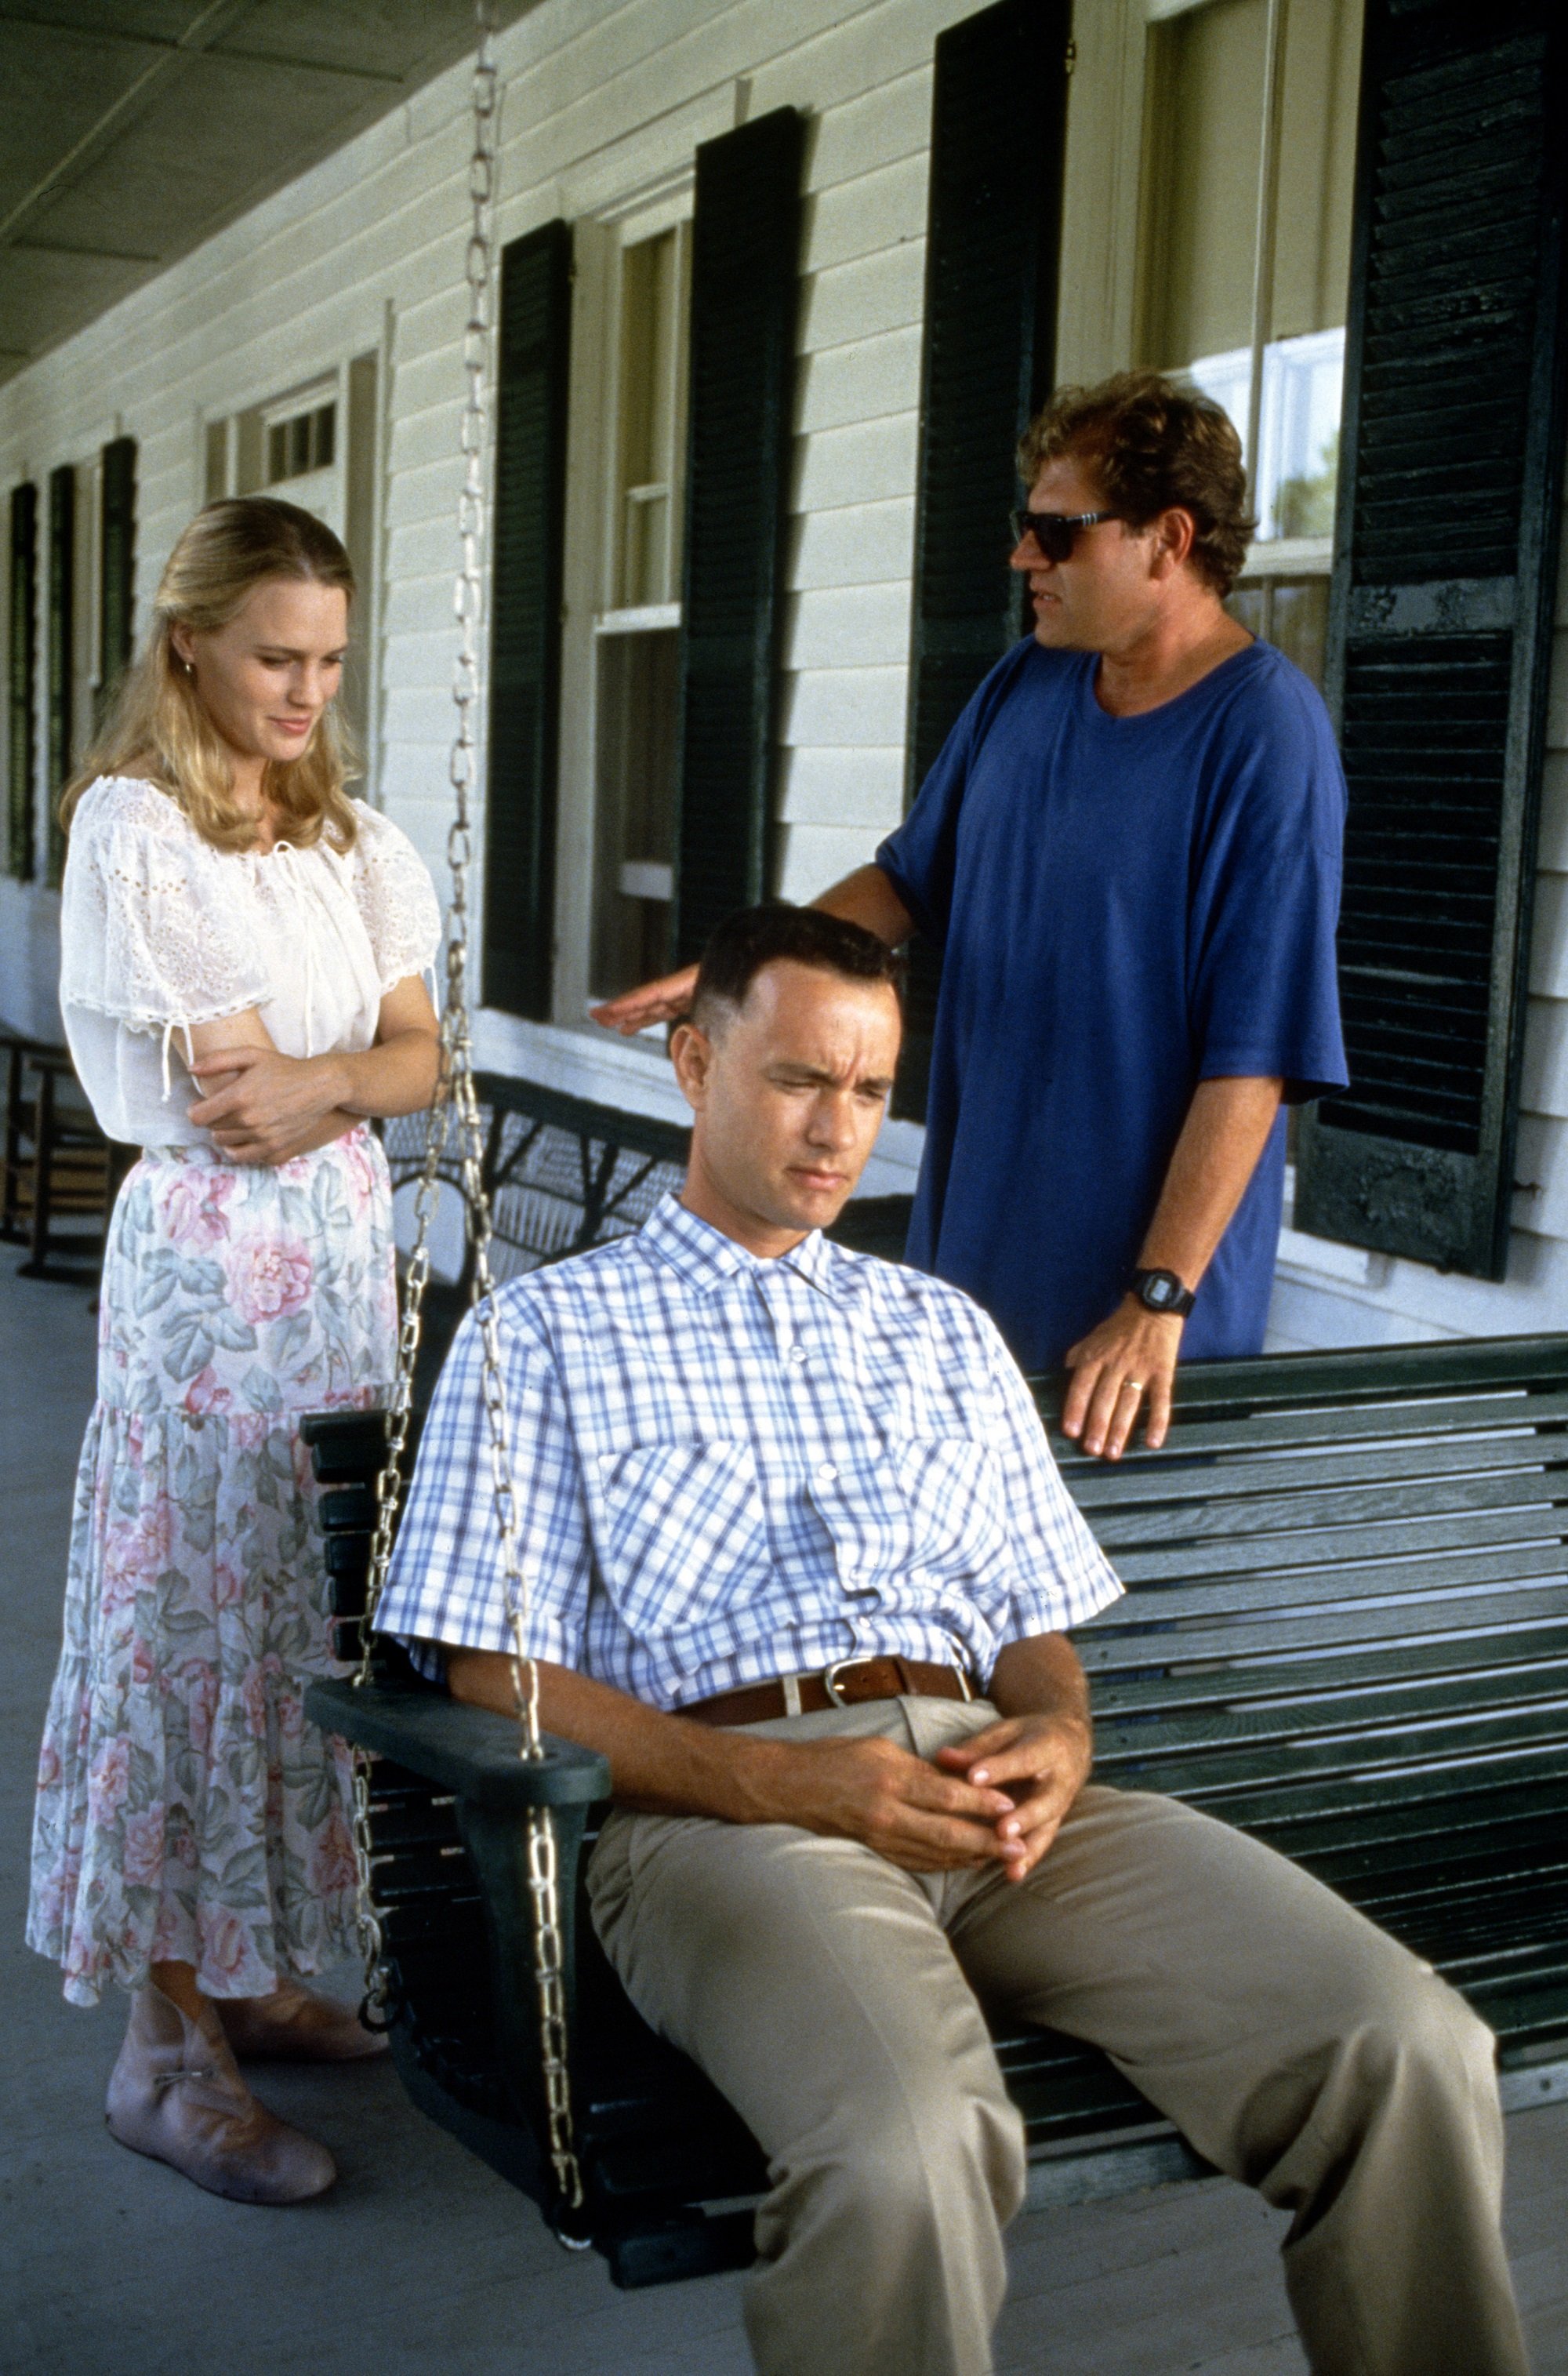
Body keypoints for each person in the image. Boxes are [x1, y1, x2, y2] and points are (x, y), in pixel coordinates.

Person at [378, 905, 1526, 2376]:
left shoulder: (937, 1327)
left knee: (1403, 2042)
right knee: (910, 2148)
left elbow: (1031, 1621)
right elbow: (493, 1670)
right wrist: (785, 1786)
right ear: (693, 1060)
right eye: (799, 1078)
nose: (836, 1129)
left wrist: (1061, 1730)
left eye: (869, 1090)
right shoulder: (548, 1334)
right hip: (720, 1816)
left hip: (988, 1797)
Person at [592, 372, 1349, 1464]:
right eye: (1023, 526)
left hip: (1120, 1334)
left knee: (1090, 1637)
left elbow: (1256, 1059)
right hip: (966, 1284)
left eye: (1057, 532)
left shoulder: (1265, 736)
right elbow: (905, 885)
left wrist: (1157, 1298)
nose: (1023, 557)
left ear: (1167, 540)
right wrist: (740, 970)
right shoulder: (1025, 687)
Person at [27, 496, 442, 2204]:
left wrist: (342, 1081)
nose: (305, 690)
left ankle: (264, 1975)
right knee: (190, 1615)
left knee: (308, 1607)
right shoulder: (139, 832)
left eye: (330, 659)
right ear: (186, 641)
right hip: (211, 1267)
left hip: (342, 1272)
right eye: (276, 655)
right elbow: (237, 1097)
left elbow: (415, 1060)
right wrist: (354, 1081)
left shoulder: (361, 840)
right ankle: (165, 2042)